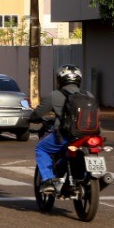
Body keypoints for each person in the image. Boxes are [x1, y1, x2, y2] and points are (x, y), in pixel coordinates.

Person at [32, 64, 85, 195]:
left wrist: (31, 118)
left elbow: (38, 113)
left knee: (41, 148)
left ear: (60, 79)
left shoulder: (55, 95)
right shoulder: (87, 95)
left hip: (67, 135)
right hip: (87, 136)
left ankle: (48, 180)